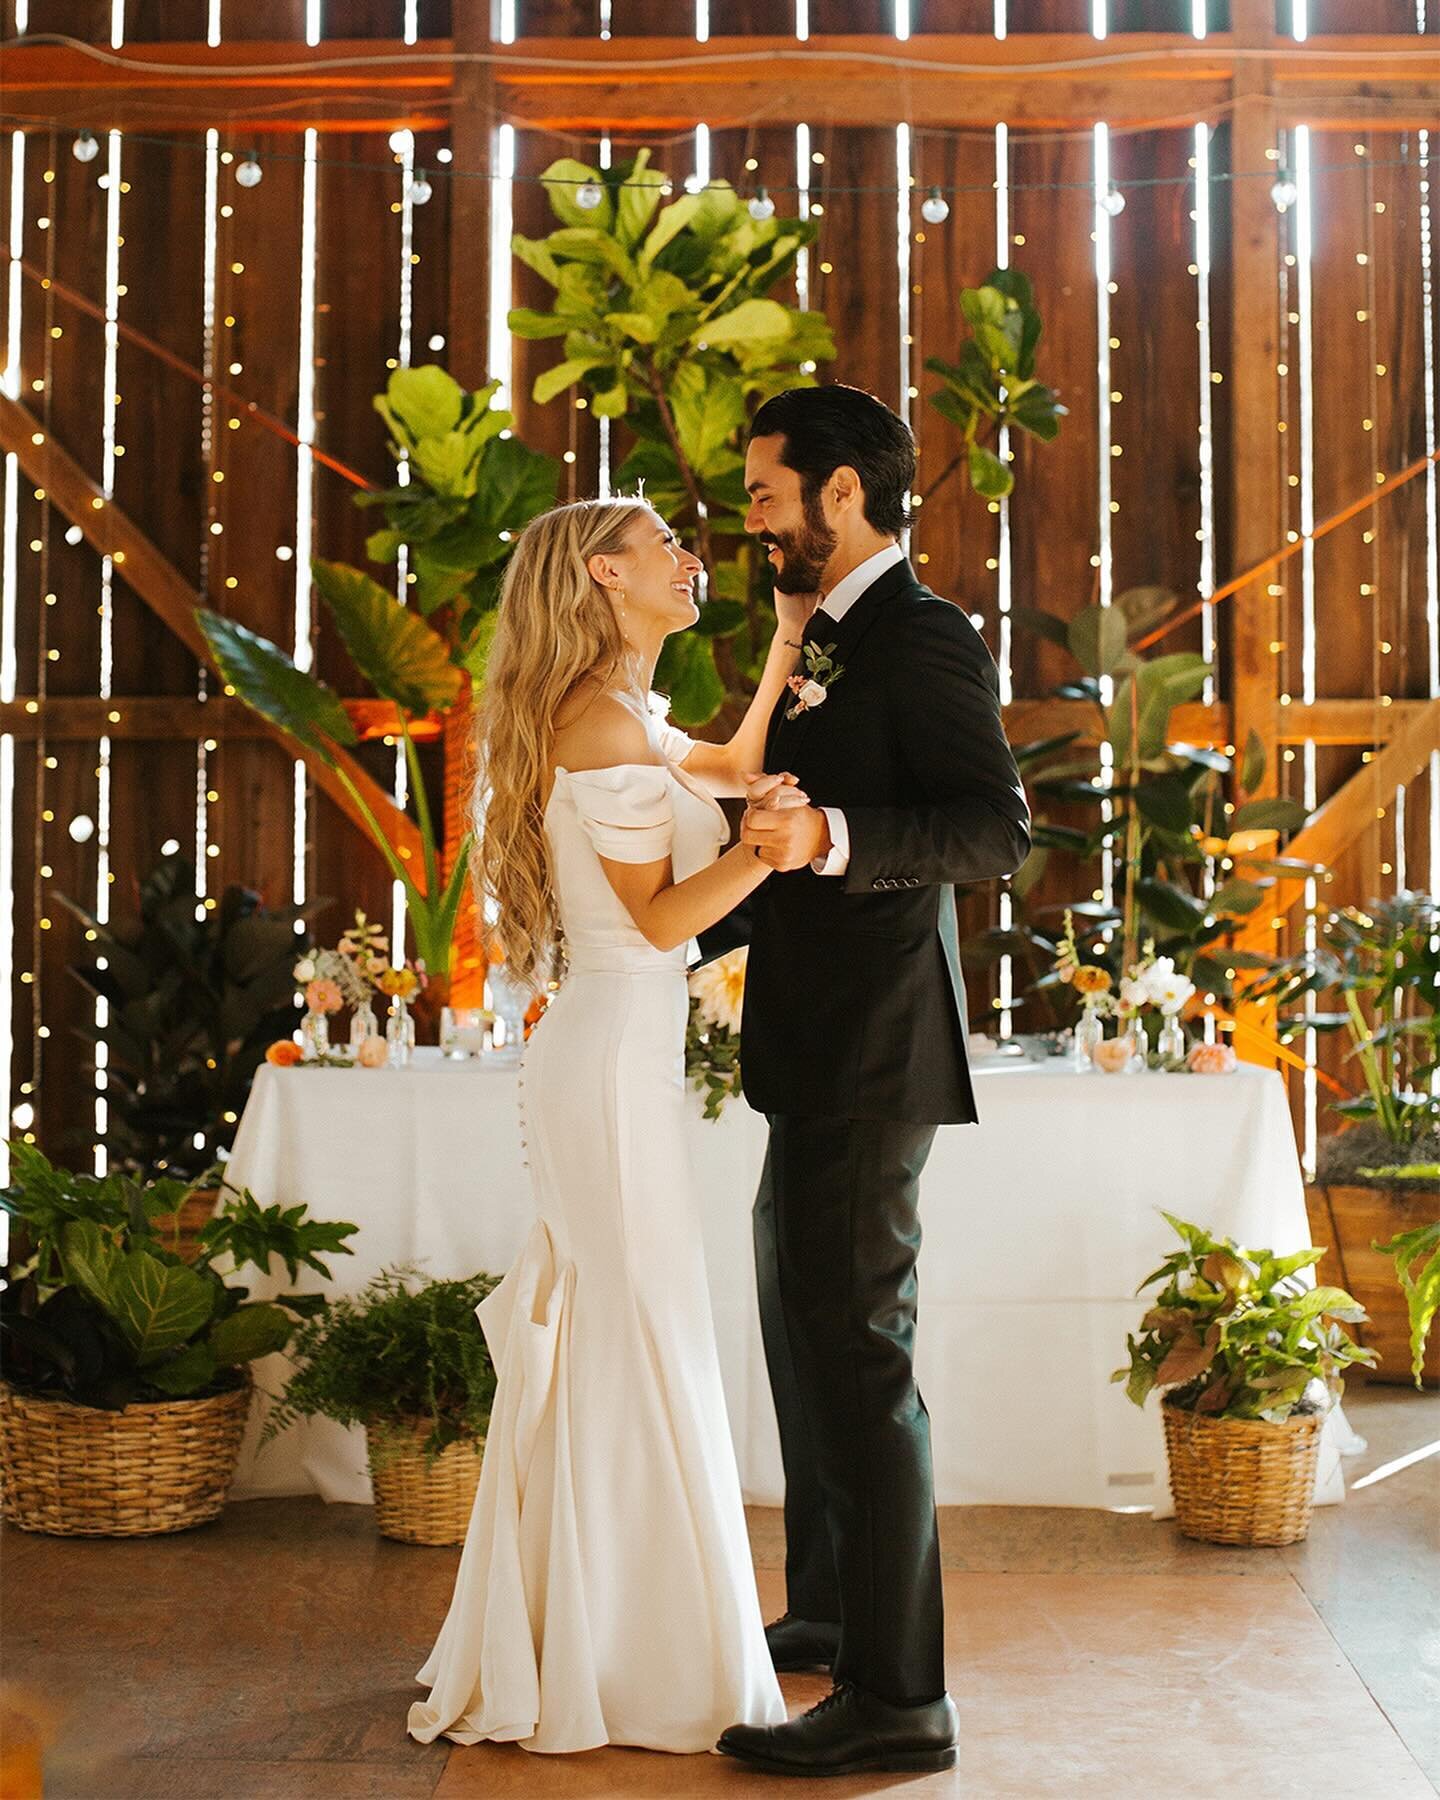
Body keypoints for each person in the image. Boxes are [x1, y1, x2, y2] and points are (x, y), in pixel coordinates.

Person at [407, 496, 806, 1755]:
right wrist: (768, 851)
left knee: (636, 1325)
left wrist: (790, 640)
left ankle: (600, 1634)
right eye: (667, 544)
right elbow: (658, 920)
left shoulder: (629, 713)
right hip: (606, 1058)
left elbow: (729, 761)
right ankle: (630, 1660)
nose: (694, 559)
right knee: (635, 1324)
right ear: (603, 573)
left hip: (621, 1061)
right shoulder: (593, 716)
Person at [710, 384, 1031, 1778]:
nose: (752, 523)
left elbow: (990, 831)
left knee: (862, 1355)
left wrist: (835, 832)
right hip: (810, 1045)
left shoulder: (922, 636)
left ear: (844, 495)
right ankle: (833, 1607)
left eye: (769, 495)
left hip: (877, 1049)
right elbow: (763, 837)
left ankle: (903, 1699)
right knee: (802, 1331)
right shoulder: (816, 640)